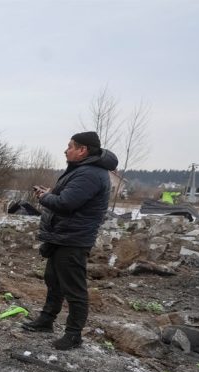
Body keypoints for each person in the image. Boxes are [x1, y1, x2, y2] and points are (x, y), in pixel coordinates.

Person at [22, 131, 118, 350]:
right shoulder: (82, 170)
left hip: (73, 239)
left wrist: (45, 197)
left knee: (74, 289)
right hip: (63, 236)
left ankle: (73, 334)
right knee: (53, 280)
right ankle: (46, 320)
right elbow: (68, 197)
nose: (66, 150)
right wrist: (50, 193)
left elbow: (66, 203)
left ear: (83, 150)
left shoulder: (90, 174)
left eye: (70, 146)